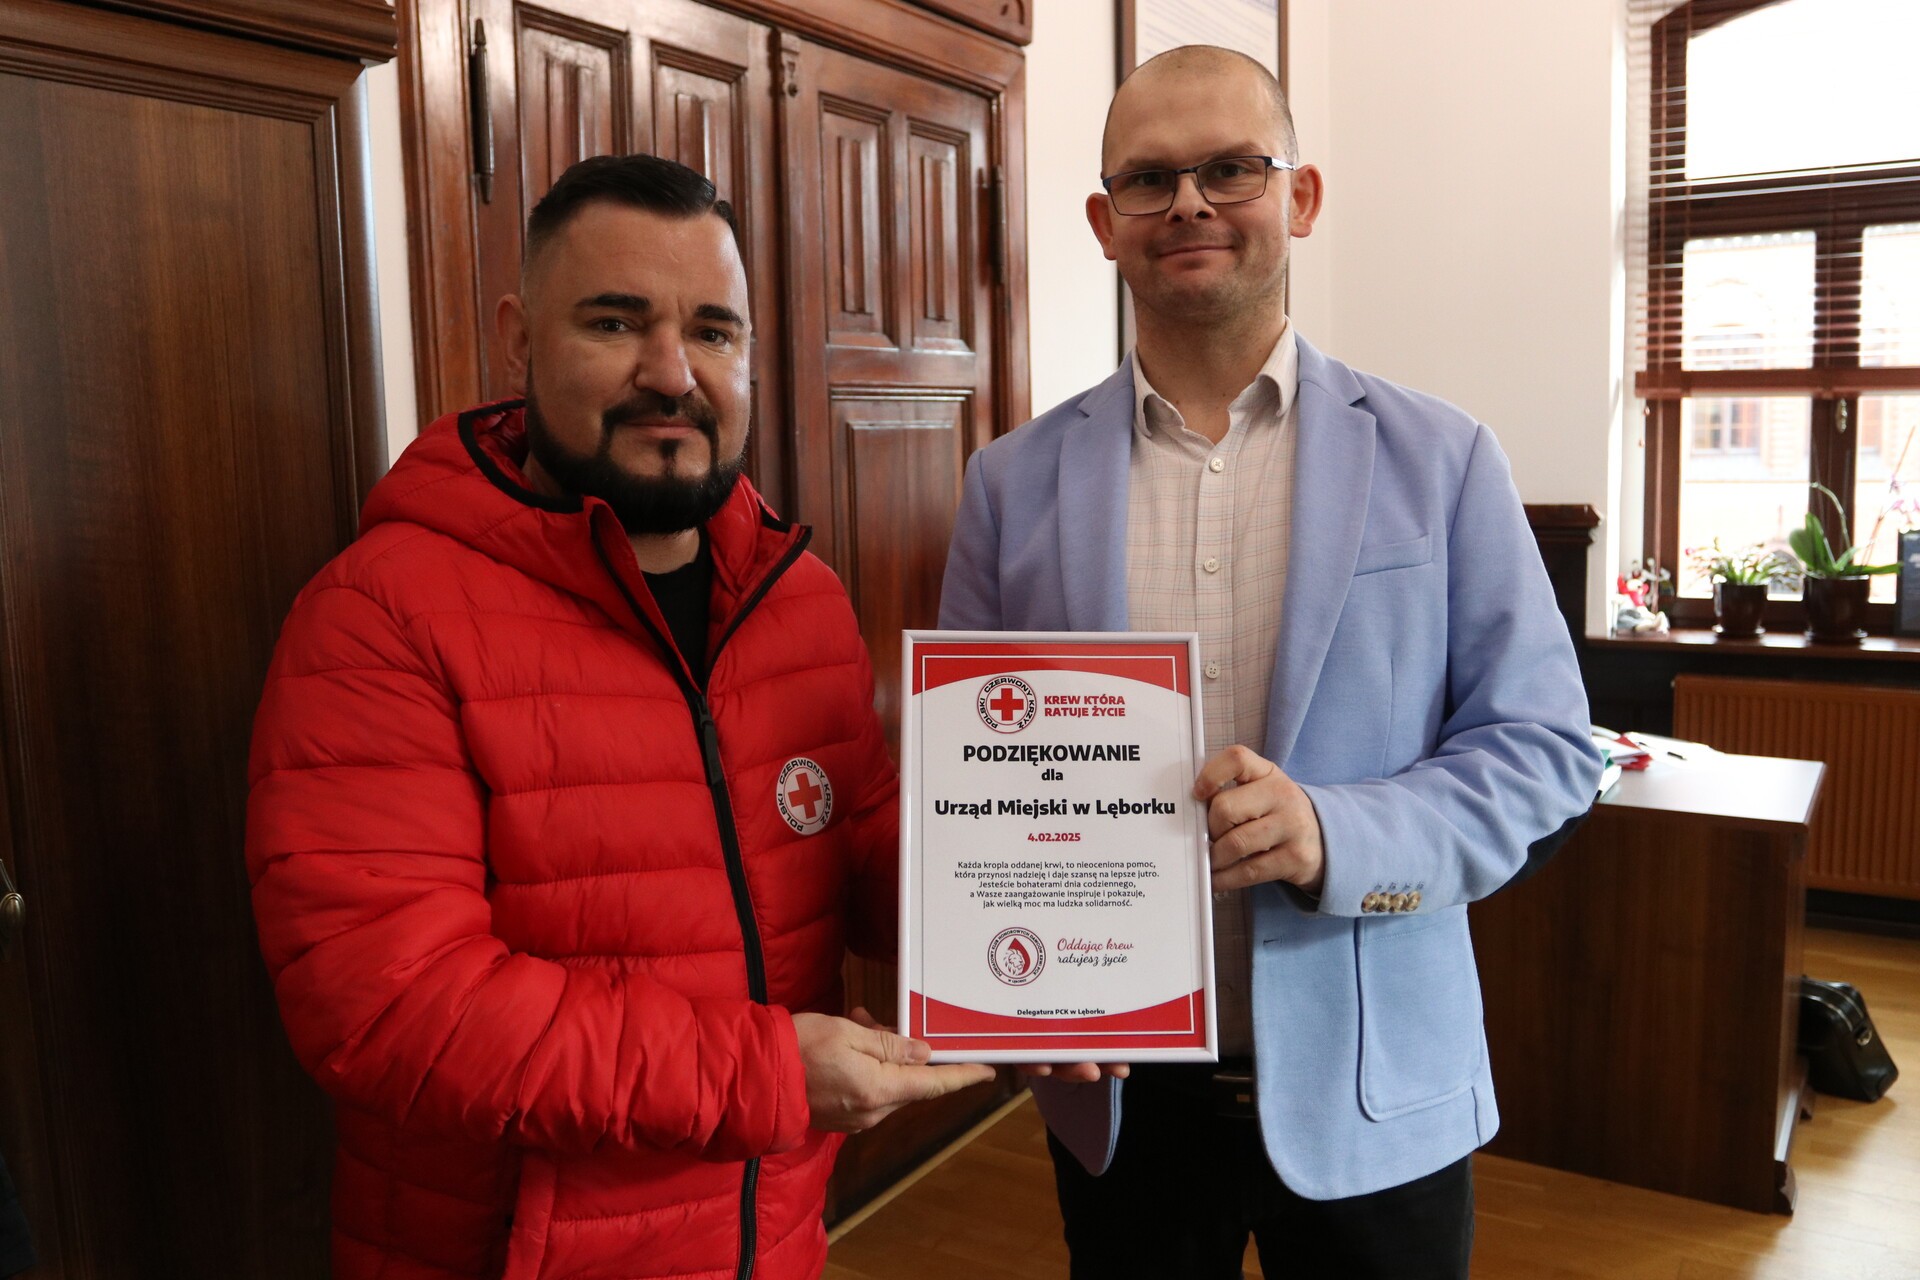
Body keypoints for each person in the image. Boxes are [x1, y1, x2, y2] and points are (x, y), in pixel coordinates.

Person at [246, 153, 992, 1280]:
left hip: (772, 1237)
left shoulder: (799, 597)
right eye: (615, 322)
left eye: (713, 331)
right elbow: (389, 1003)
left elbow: (857, 848)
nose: (672, 373)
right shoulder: (379, 616)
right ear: (518, 338)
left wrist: (1043, 960)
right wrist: (764, 1075)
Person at [938, 45, 1599, 1278]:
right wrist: (1010, 989)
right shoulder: (1008, 485)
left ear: (1299, 197)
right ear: (1105, 223)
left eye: (1231, 168)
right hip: (1119, 1092)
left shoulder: (1444, 458)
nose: (1188, 203)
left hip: (1379, 1088)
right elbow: (976, 787)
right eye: (1149, 178)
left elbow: (1547, 752)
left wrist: (1332, 832)